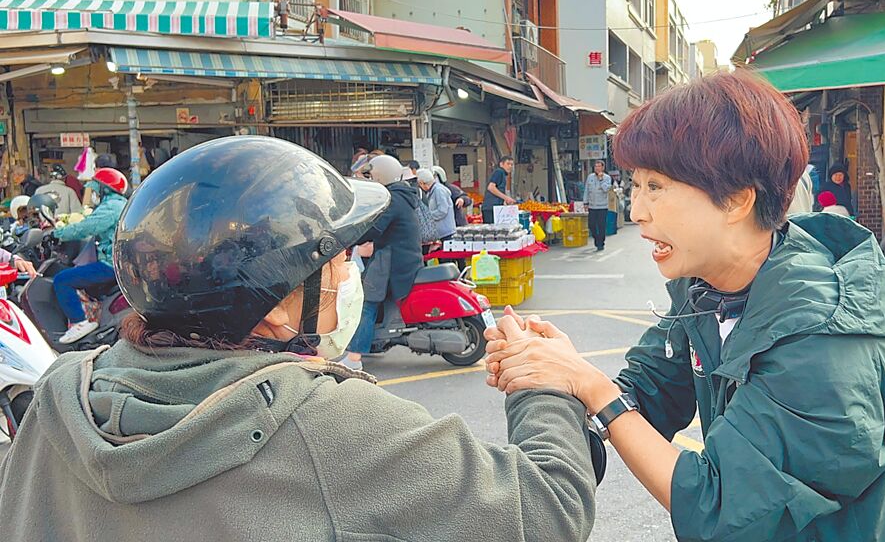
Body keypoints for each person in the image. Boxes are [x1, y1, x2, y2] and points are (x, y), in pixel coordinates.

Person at [0, 136, 597, 542]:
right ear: (274, 302)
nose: (346, 271)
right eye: (333, 258)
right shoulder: (331, 423)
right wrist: (540, 385)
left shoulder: (59, 397)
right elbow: (546, 511)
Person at [482, 72, 885, 541]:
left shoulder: (819, 340)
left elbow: (720, 511)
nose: (636, 211)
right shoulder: (705, 286)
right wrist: (549, 371)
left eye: (656, 187)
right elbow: (651, 389)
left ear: (735, 200)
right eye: (636, 185)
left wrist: (589, 384)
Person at [345, 154, 423, 371]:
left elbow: (374, 228)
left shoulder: (393, 200)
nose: (370, 180)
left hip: (391, 260)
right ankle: (373, 341)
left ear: (380, 176)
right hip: (402, 259)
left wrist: (348, 238)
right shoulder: (403, 195)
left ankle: (353, 358)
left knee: (366, 303)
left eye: (371, 176)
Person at [51, 168, 128, 344]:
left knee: (62, 280)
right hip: (119, 263)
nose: (92, 194)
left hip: (110, 265)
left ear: (104, 189)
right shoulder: (120, 204)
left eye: (95, 189)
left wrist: (57, 234)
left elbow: (86, 227)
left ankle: (79, 322)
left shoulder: (111, 207)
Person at [418, 169, 456, 244]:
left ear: (422, 183)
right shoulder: (432, 191)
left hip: (446, 233)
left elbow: (442, 211)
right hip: (441, 233)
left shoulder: (439, 190)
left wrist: (427, 217)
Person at [583, 160, 613, 252]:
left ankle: (601, 243)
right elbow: (586, 190)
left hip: (602, 206)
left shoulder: (607, 178)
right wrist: (585, 202)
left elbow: (606, 189)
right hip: (592, 206)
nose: (597, 168)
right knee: (591, 225)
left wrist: (601, 180)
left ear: (603, 168)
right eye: (596, 166)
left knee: (601, 226)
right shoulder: (590, 177)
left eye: (599, 166)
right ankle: (596, 239)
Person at [482, 156, 516, 224]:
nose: (510, 166)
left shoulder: (502, 174)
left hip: (494, 208)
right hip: (491, 208)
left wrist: (504, 201)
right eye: (508, 164)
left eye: (511, 164)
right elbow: (491, 187)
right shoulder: (499, 171)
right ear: (501, 164)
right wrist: (506, 198)